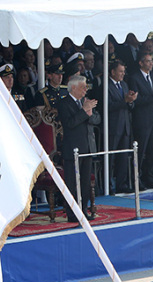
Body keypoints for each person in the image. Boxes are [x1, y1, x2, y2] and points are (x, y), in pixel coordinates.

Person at [57, 75, 100, 223]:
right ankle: (72, 213)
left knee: (85, 183)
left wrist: (88, 112)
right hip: (73, 149)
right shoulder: (64, 103)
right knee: (73, 183)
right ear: (73, 87)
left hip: (87, 147)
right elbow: (70, 123)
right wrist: (83, 111)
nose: (85, 89)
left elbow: (96, 119)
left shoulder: (85, 102)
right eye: (83, 87)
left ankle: (83, 211)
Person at [130, 52, 153, 188]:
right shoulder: (134, 78)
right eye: (148, 61)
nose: (151, 64)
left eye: (152, 61)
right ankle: (136, 179)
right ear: (141, 63)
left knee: (152, 150)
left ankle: (149, 177)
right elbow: (136, 100)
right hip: (142, 120)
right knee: (140, 151)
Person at [106, 60, 136, 194]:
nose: (123, 74)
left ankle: (121, 184)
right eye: (120, 71)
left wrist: (130, 101)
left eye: (124, 71)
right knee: (110, 158)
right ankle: (108, 185)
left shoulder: (124, 84)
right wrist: (125, 101)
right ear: (112, 72)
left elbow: (129, 106)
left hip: (125, 125)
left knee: (123, 157)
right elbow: (108, 106)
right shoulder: (106, 86)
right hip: (113, 126)